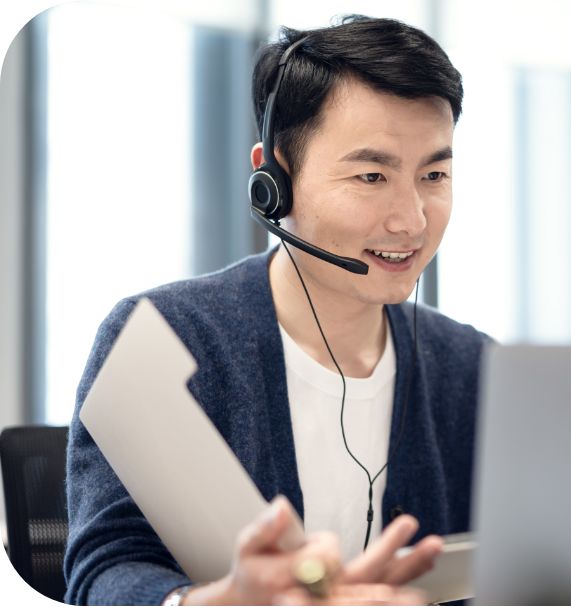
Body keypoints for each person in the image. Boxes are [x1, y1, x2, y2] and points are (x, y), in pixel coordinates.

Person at [64, 15, 490, 605]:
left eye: (435, 174)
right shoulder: (163, 342)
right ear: (275, 177)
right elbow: (105, 569)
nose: (412, 220)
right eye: (371, 175)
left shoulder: (473, 365)